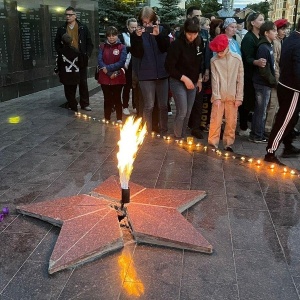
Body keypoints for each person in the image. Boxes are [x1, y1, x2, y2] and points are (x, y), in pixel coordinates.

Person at [264, 18, 300, 164]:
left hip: (286, 85)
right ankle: (270, 152)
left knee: (290, 119)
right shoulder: (298, 43)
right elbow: (298, 70)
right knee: (284, 120)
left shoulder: (292, 38)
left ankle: (288, 144)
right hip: (293, 89)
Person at [130, 6, 170, 135]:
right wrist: (137, 38)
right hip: (146, 75)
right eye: (144, 22)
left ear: (154, 20)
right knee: (149, 105)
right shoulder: (136, 34)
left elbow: (166, 49)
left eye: (150, 22)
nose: (147, 25)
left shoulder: (163, 29)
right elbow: (137, 54)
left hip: (162, 73)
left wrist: (158, 36)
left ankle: (163, 130)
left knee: (163, 105)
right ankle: (146, 131)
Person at [165, 17, 203, 138]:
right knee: (182, 111)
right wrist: (184, 79)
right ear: (184, 31)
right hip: (178, 80)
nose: (192, 37)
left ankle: (182, 135)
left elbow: (199, 62)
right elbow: (169, 67)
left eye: (195, 34)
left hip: (193, 80)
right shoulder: (176, 45)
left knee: (188, 112)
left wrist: (200, 78)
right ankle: (178, 137)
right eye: (189, 34)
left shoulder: (199, 42)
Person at [208, 34, 244, 152]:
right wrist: (216, 97)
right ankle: (213, 142)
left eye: (221, 50)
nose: (219, 53)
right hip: (219, 96)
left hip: (233, 96)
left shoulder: (237, 59)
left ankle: (228, 144)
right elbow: (215, 79)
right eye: (217, 51)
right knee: (215, 120)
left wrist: (239, 97)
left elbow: (240, 79)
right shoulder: (214, 60)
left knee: (231, 121)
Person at [55, 6, 94, 111]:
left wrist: (87, 55)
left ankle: (84, 104)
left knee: (82, 82)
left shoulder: (82, 27)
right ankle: (72, 103)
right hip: (67, 60)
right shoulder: (62, 29)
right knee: (69, 83)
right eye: (66, 15)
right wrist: (61, 53)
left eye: (70, 15)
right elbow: (57, 43)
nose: (67, 17)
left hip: (80, 59)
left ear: (75, 16)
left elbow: (89, 43)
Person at [249, 21, 277, 143]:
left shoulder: (268, 45)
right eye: (274, 30)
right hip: (262, 83)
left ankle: (258, 133)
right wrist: (274, 82)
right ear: (266, 33)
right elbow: (264, 70)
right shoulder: (263, 47)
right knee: (260, 110)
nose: (276, 33)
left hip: (266, 83)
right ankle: (256, 135)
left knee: (262, 110)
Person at [239, 12, 265, 137]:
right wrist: (256, 62)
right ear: (253, 23)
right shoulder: (248, 38)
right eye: (260, 20)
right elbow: (247, 57)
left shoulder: (260, 36)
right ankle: (243, 126)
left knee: (253, 101)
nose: (263, 22)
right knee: (247, 100)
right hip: (248, 74)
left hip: (257, 74)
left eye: (263, 19)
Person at [265, 19, 289, 134]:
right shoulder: (276, 43)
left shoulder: (281, 41)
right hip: (277, 77)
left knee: (276, 104)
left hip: (279, 75)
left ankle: (272, 125)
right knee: (273, 103)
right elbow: (274, 62)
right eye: (282, 29)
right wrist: (277, 79)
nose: (285, 32)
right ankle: (268, 127)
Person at [97, 26, 127, 123]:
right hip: (105, 77)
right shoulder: (102, 46)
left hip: (117, 76)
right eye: (109, 36)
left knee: (117, 98)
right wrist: (106, 70)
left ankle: (119, 118)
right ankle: (107, 117)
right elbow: (100, 60)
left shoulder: (122, 47)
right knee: (107, 99)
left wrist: (108, 69)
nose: (111, 37)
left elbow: (121, 62)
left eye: (113, 35)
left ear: (117, 35)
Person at [54, 34, 83, 112]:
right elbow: (81, 62)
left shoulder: (61, 52)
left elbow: (59, 63)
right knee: (73, 91)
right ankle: (72, 104)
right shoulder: (77, 51)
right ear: (72, 41)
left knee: (68, 92)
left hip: (66, 75)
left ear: (62, 42)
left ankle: (73, 105)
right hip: (75, 74)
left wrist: (56, 71)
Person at [119, 18, 138, 116]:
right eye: (132, 27)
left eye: (135, 27)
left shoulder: (139, 34)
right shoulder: (122, 36)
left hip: (136, 63)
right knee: (126, 86)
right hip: (127, 64)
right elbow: (121, 48)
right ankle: (125, 106)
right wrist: (130, 48)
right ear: (127, 26)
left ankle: (135, 106)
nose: (134, 29)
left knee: (135, 86)